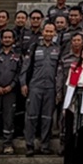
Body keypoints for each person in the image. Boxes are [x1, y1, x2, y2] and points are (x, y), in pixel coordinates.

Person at [22, 24, 60, 156]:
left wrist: (58, 90)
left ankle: (45, 145)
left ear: (54, 33)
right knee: (31, 116)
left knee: (47, 118)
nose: (48, 33)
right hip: (35, 86)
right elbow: (26, 67)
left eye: (51, 31)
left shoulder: (58, 49)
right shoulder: (34, 47)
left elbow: (59, 71)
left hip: (50, 87)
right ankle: (29, 145)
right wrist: (23, 83)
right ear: (43, 32)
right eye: (46, 31)